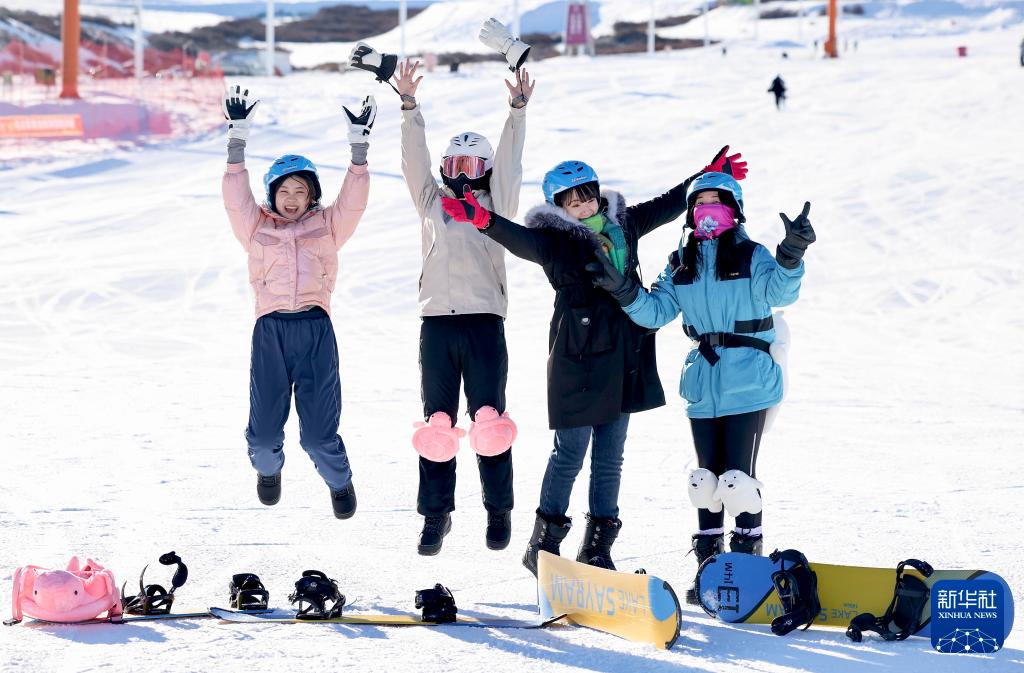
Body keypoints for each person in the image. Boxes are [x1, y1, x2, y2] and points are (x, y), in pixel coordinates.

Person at [441, 148, 748, 575]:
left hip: (625, 354)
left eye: (587, 197)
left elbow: (667, 203)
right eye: (572, 202)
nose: (582, 207)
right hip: (578, 356)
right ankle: (543, 544)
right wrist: (483, 219)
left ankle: (598, 548)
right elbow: (519, 239)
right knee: (570, 451)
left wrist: (706, 175)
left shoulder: (625, 225)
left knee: (610, 455)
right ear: (559, 208)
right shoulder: (555, 241)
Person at [586, 170, 814, 602]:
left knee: (737, 482)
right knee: (705, 483)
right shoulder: (680, 263)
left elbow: (780, 294)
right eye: (700, 202)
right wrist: (622, 289)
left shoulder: (751, 254)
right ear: (690, 213)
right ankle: (710, 572)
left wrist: (791, 253)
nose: (708, 209)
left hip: (749, 378)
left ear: (734, 208)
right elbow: (655, 312)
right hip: (703, 383)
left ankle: (747, 571)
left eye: (718, 200)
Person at [390, 56, 534, 556]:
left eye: (471, 166)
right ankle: (436, 516)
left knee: (490, 424)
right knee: (437, 427)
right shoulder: (431, 201)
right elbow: (413, 162)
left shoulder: (496, 205)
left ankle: (499, 510)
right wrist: (409, 107)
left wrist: (516, 112)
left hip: (483, 323)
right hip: (437, 324)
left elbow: (512, 164)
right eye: (454, 165)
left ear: (486, 170)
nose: (461, 175)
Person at [220, 84, 374, 519]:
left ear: (312, 196)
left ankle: (339, 481)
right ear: (272, 194)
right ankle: (267, 471)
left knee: (319, 437)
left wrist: (358, 150)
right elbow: (235, 200)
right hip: (270, 331)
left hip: (315, 331)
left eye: (300, 192)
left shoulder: (327, 226)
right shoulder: (256, 228)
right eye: (284, 191)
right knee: (264, 436)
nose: (291, 199)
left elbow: (354, 203)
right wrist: (237, 141)